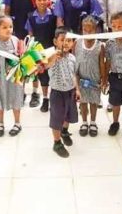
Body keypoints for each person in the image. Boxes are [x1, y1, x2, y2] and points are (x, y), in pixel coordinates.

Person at [3, 0, 46, 108]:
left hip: (35, 27)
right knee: (19, 60)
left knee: (34, 60)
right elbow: (6, 10)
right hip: (17, 27)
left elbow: (45, 4)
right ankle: (20, 92)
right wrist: (7, 29)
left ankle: (35, 92)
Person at [0, 16, 24, 137]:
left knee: (16, 98)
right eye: (4, 27)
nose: (8, 29)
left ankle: (17, 123)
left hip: (14, 77)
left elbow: (21, 58)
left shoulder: (15, 40)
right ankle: (0, 123)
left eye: (10, 26)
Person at [46, 27, 80, 158]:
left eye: (69, 40)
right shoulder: (51, 56)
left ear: (73, 43)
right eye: (62, 40)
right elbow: (46, 65)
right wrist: (54, 57)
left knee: (68, 115)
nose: (66, 43)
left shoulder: (72, 57)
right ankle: (57, 142)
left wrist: (77, 89)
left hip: (70, 92)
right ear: (55, 42)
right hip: (57, 93)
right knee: (57, 119)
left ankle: (64, 132)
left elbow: (73, 75)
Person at [25, 0, 57, 112]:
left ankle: (54, 99)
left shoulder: (53, 15)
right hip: (39, 51)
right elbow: (31, 36)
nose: (42, 2)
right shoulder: (31, 17)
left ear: (49, 0)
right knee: (43, 76)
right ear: (35, 1)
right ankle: (45, 99)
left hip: (51, 50)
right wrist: (32, 53)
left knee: (53, 75)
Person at [75, 15, 105, 137]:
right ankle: (84, 122)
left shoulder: (100, 45)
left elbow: (102, 64)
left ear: (96, 30)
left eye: (90, 30)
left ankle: (93, 122)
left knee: (93, 101)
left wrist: (104, 79)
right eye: (84, 30)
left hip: (94, 78)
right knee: (82, 101)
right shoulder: (77, 43)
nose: (87, 32)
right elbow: (74, 60)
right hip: (81, 78)